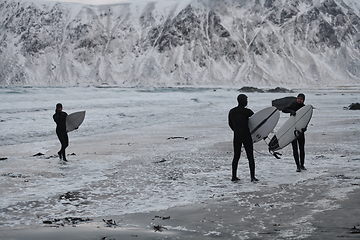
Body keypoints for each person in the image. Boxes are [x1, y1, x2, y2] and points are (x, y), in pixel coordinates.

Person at [228, 94, 258, 182]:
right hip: (246, 136)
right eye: (246, 100)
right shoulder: (247, 112)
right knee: (250, 157)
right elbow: (255, 123)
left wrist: (236, 131)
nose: (247, 101)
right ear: (244, 101)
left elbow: (230, 124)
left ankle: (234, 176)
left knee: (236, 156)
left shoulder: (232, 111)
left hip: (237, 136)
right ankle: (252, 177)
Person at [282, 93, 307, 172]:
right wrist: (291, 111)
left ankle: (302, 164)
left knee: (302, 149)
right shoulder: (293, 105)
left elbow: (306, 119)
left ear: (303, 100)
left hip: (300, 130)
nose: (299, 100)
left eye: (301, 99)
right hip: (292, 130)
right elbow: (284, 109)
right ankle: (297, 166)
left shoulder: (304, 108)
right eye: (298, 98)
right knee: (295, 149)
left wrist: (305, 128)